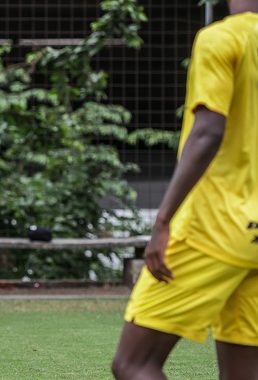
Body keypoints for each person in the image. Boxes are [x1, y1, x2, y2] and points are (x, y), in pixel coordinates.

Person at [112, 1, 258, 378]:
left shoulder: (222, 38)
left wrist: (163, 221)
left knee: (134, 363)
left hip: (215, 226)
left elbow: (208, 132)